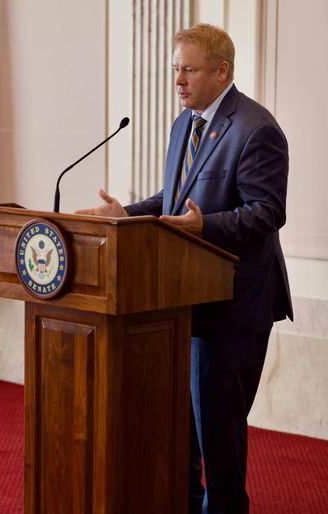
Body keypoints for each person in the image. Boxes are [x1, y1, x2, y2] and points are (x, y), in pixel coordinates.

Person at [76, 24, 292, 514]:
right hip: (182, 297)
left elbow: (266, 212)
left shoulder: (256, 130)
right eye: (175, 69)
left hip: (235, 303)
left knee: (218, 432)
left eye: (188, 70)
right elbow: (173, 201)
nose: (178, 80)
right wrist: (125, 214)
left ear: (222, 71)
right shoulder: (184, 124)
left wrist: (204, 226)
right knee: (180, 434)